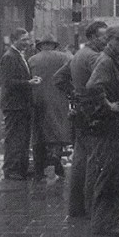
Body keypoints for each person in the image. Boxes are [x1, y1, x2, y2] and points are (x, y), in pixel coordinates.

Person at [53, 20, 109, 218]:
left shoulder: (78, 56)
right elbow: (102, 85)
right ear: (93, 37)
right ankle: (91, 208)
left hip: (79, 113)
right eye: (104, 36)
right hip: (94, 113)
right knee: (95, 162)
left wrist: (75, 95)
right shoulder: (95, 57)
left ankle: (76, 208)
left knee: (80, 160)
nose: (107, 39)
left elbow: (58, 79)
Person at [85, 26, 119, 237]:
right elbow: (93, 86)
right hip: (108, 127)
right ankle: (103, 224)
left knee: (117, 176)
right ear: (110, 41)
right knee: (109, 176)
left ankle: (109, 220)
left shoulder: (113, 60)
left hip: (113, 126)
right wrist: (108, 105)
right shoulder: (105, 61)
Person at [28, 35, 72, 179]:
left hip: (38, 100)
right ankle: (56, 158)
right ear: (54, 45)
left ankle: (39, 169)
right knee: (59, 130)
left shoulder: (32, 60)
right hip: (59, 99)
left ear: (40, 46)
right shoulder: (65, 58)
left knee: (39, 133)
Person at [0, 28, 41, 180]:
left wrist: (30, 80)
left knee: (22, 137)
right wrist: (28, 83)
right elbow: (8, 82)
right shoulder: (10, 57)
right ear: (14, 40)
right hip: (14, 105)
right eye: (23, 40)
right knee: (14, 138)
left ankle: (21, 168)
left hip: (21, 105)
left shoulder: (18, 56)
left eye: (28, 39)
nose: (27, 43)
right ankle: (11, 169)